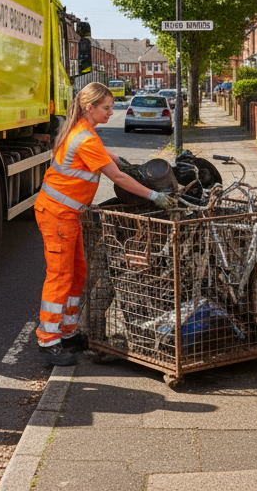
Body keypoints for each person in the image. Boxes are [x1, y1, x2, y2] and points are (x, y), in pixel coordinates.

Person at [35, 81, 175, 367]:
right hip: (57, 214)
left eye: (112, 108)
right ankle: (48, 342)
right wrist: (154, 195)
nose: (111, 113)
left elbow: (105, 158)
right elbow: (119, 179)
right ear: (90, 108)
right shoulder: (85, 138)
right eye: (107, 108)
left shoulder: (85, 132)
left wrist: (119, 159)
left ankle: (69, 332)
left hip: (67, 214)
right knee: (60, 276)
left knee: (77, 273)